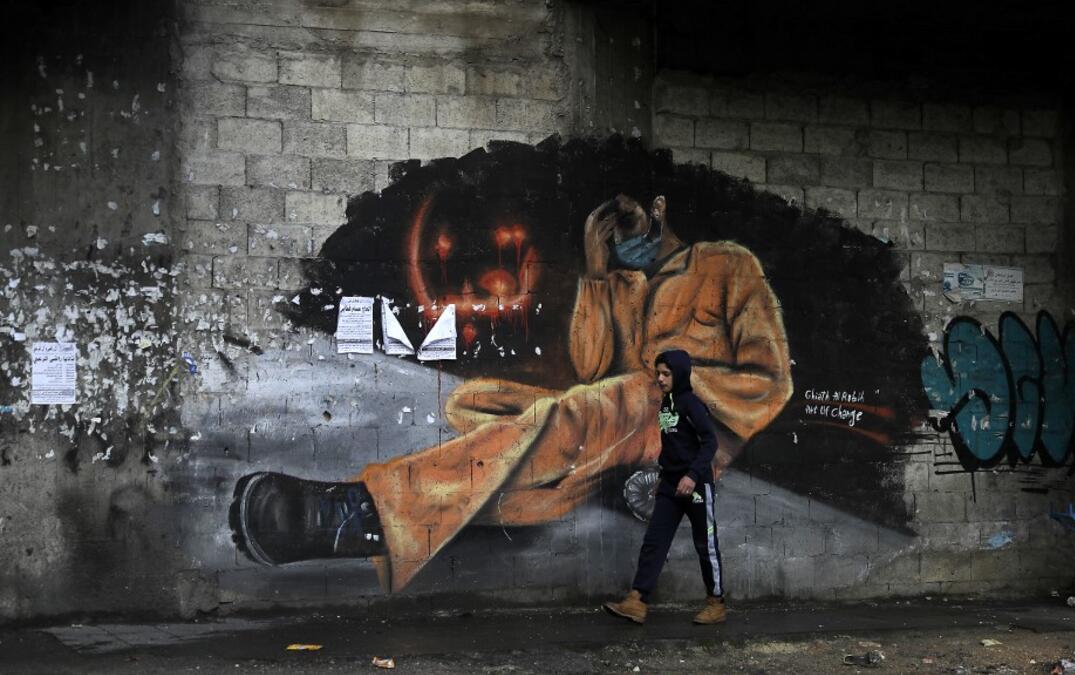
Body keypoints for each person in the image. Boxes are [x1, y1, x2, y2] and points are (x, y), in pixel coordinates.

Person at [229, 192, 792, 597]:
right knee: (476, 402)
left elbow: (772, 379)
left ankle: (362, 514)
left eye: (628, 221)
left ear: (660, 209)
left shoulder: (726, 265)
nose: (624, 239)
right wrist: (598, 275)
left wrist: (676, 386)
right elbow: (591, 366)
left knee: (603, 405)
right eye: (610, 233)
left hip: (687, 425)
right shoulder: (622, 282)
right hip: (619, 421)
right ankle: (598, 482)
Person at [603, 349, 726, 625]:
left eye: (666, 374)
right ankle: (637, 600)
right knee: (654, 542)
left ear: (679, 374)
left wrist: (692, 476)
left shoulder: (692, 405)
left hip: (695, 486)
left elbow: (710, 442)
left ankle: (716, 603)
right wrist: (664, 474)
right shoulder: (667, 405)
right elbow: (672, 445)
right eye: (658, 373)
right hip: (671, 485)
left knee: (705, 544)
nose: (660, 378)